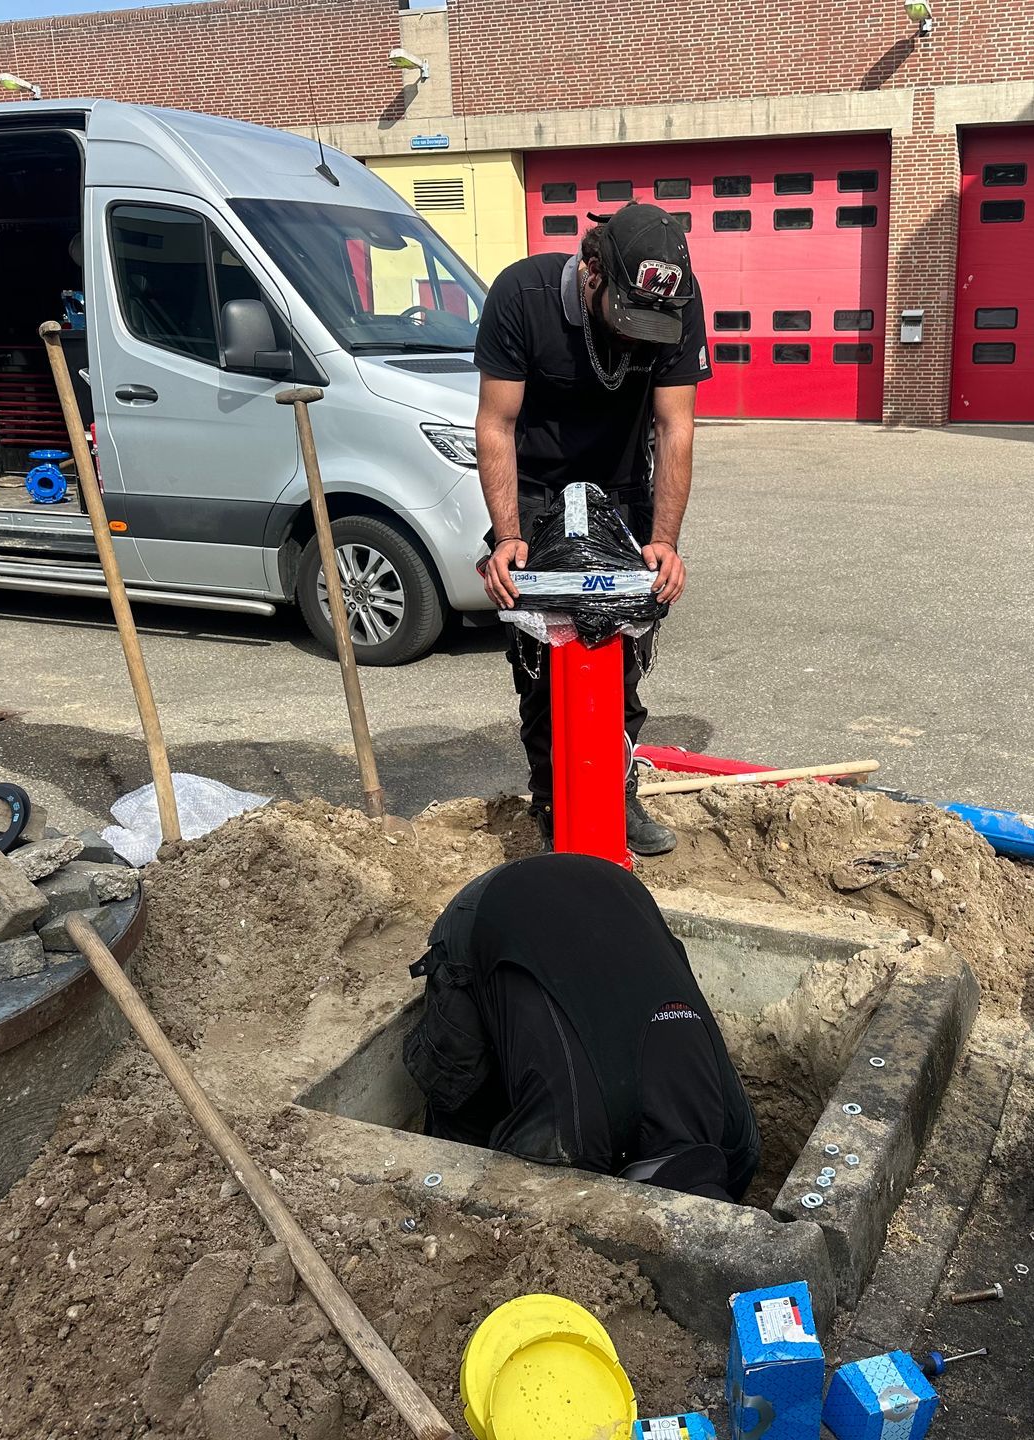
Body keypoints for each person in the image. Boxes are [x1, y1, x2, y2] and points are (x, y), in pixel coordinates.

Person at [472, 201, 711, 856]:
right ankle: (553, 799)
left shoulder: (676, 304)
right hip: (536, 492)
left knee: (623, 657)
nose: (637, 338)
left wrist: (664, 541)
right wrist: (506, 534)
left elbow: (675, 426)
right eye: (626, 319)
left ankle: (618, 796)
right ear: (591, 272)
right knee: (542, 663)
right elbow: (495, 425)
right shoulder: (521, 296)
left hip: (623, 490)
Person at [402, 853, 761, 1202]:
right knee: (461, 1116)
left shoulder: (741, 1142)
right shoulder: (572, 1144)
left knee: (544, 1057)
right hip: (495, 906)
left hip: (614, 889)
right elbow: (515, 1197)